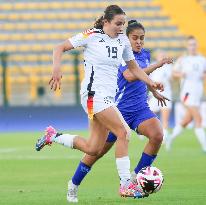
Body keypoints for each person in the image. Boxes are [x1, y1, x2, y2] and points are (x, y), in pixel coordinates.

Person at [35, 5, 164, 199]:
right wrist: (56, 68)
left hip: (107, 98)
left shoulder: (122, 41)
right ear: (106, 22)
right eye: (118, 24)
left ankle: (52, 136)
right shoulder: (92, 35)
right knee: (123, 132)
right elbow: (59, 47)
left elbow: (135, 69)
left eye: (123, 24)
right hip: (92, 95)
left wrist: (151, 83)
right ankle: (125, 184)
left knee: (93, 148)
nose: (121, 28)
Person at [65, 20, 173, 203]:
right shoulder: (121, 53)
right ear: (126, 38)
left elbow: (141, 78)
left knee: (157, 135)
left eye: (142, 38)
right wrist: (158, 65)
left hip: (139, 109)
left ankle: (133, 179)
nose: (139, 42)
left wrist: (153, 89)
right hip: (117, 110)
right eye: (135, 38)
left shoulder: (145, 54)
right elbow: (130, 75)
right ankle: (73, 185)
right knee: (95, 152)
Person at [165, 36, 206, 151]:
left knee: (186, 121)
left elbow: (204, 74)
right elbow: (173, 74)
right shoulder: (183, 59)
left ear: (196, 45)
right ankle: (205, 147)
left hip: (197, 94)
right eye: (190, 45)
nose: (192, 47)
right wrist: (181, 74)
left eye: (194, 44)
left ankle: (170, 139)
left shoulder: (202, 59)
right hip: (187, 94)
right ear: (187, 46)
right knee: (199, 119)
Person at [149, 49, 173, 142]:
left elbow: (171, 79)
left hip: (166, 94)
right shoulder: (153, 66)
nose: (162, 57)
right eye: (160, 55)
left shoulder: (168, 67)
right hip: (155, 94)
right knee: (150, 116)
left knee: (165, 119)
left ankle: (165, 139)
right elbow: (149, 80)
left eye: (163, 55)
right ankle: (148, 133)